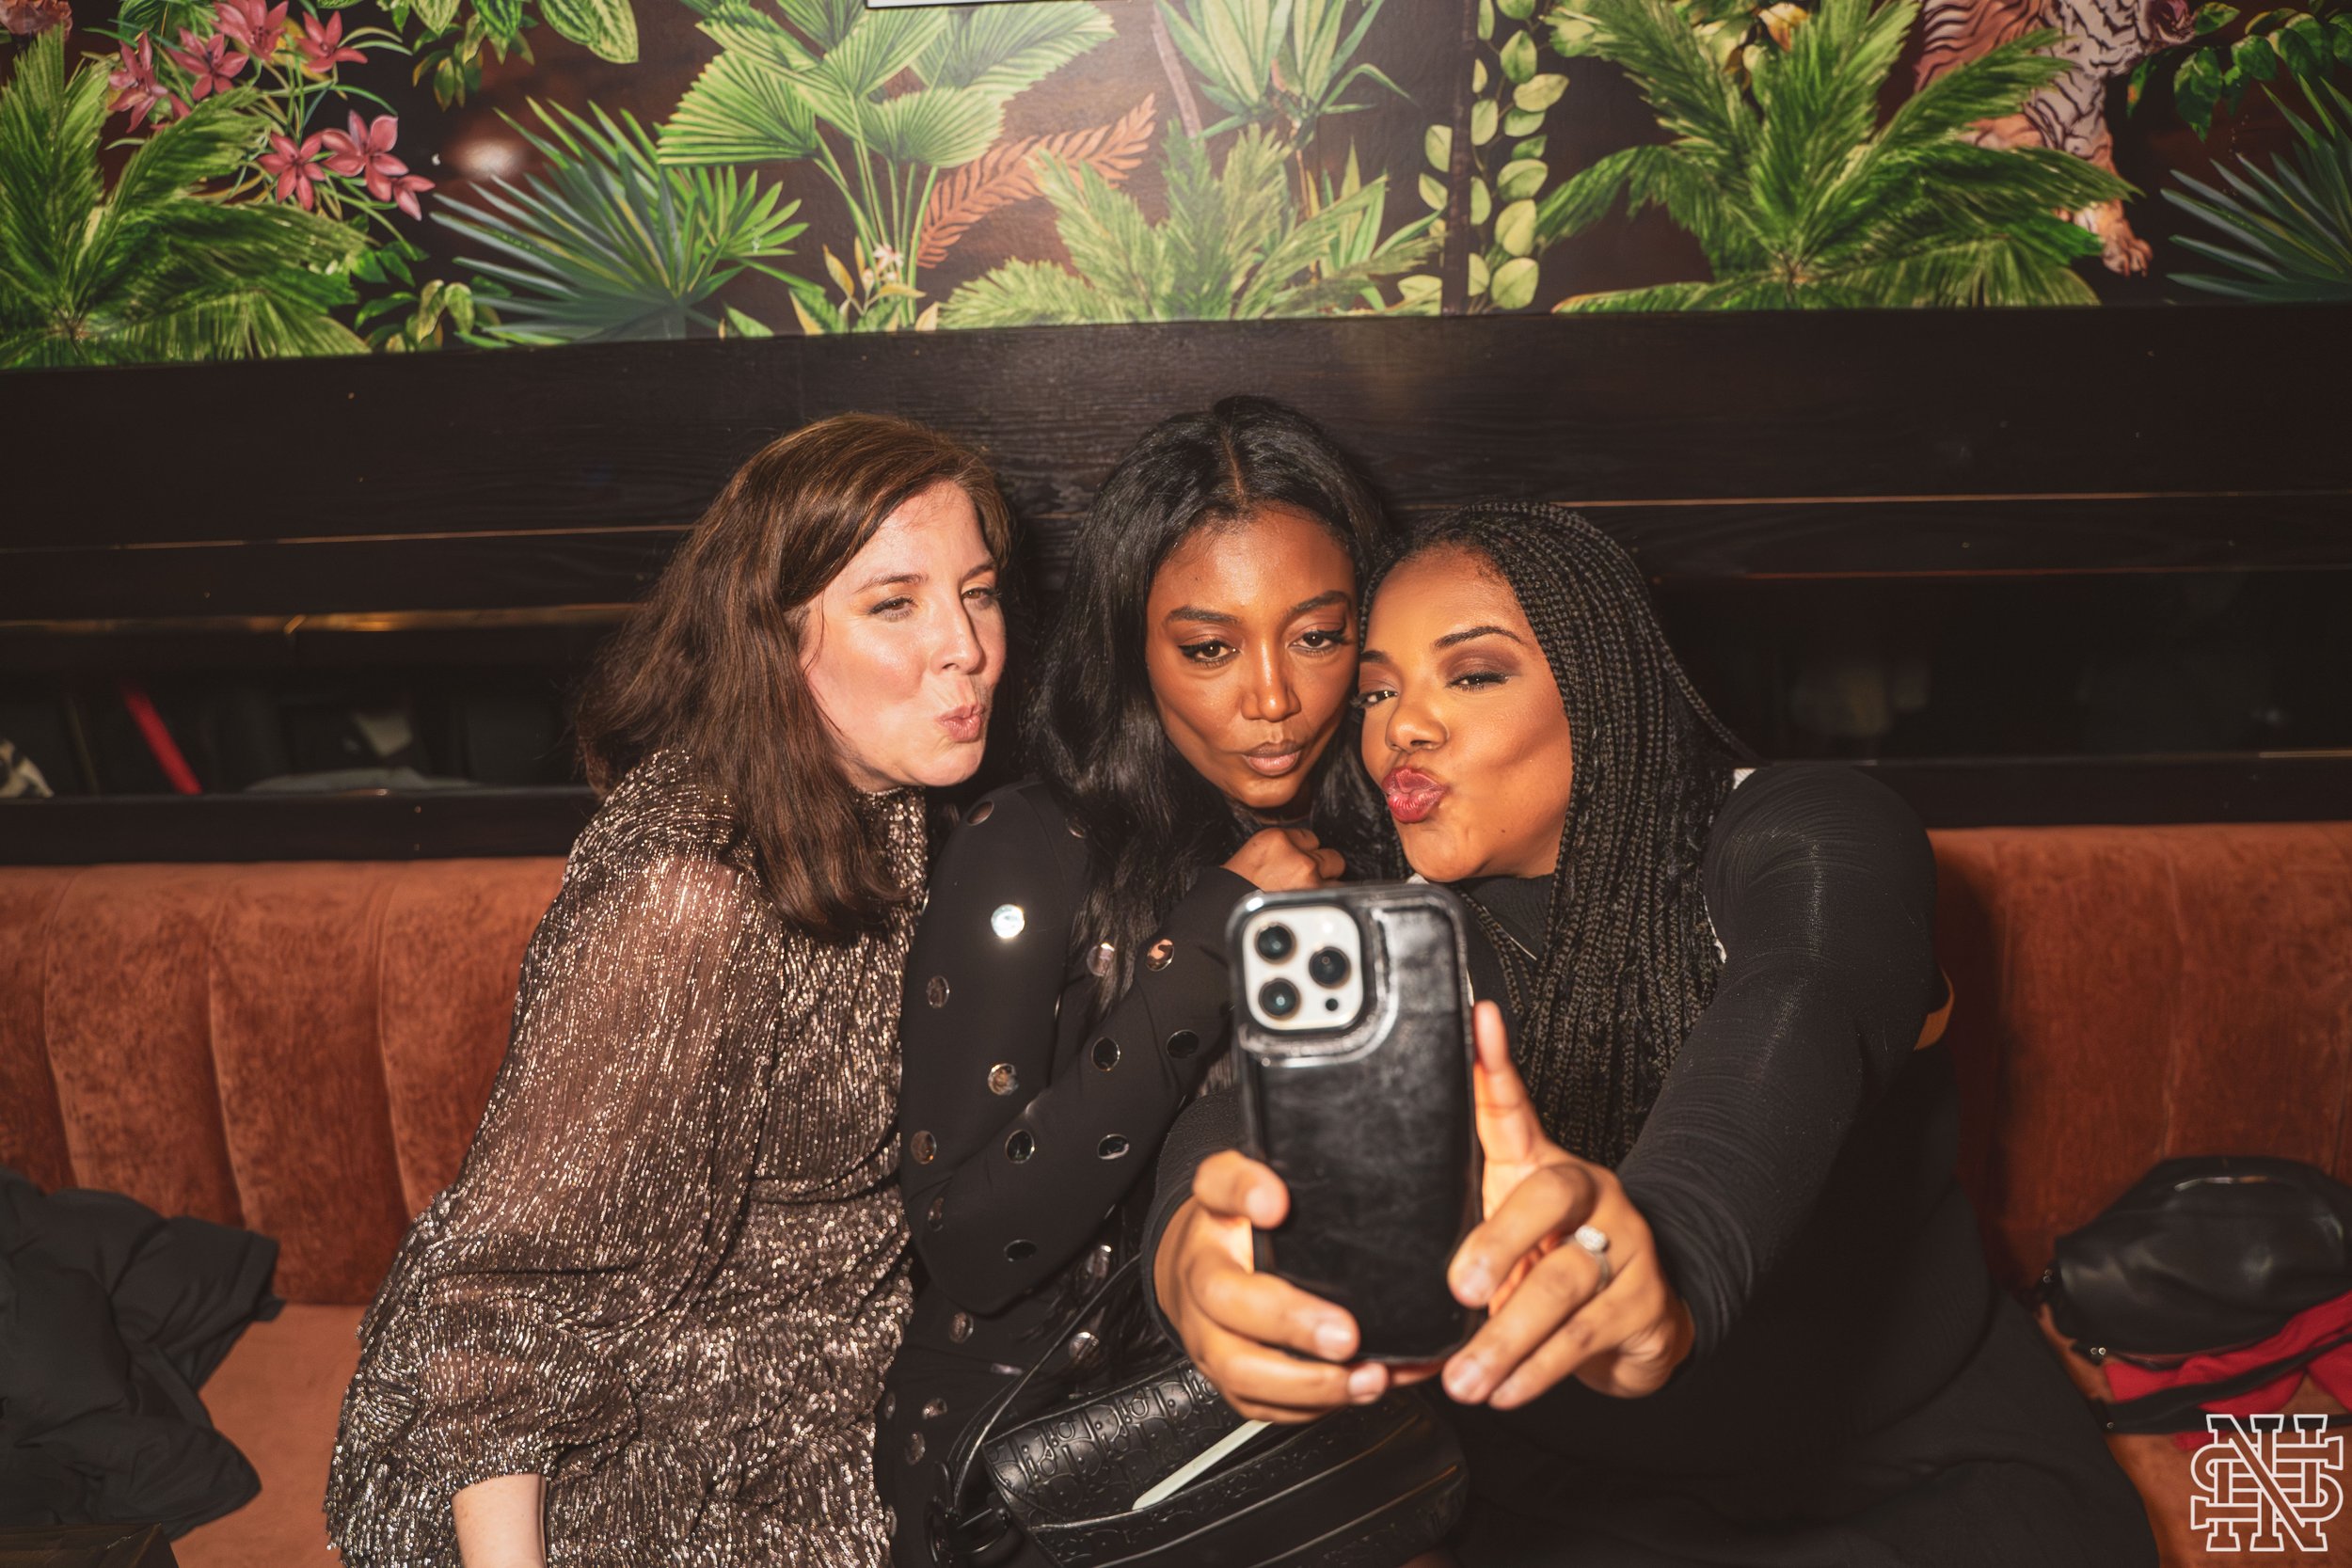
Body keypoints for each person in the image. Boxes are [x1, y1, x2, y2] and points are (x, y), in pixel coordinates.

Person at [1149, 502, 2157, 1566]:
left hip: (1923, 1457)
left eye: (1473, 673)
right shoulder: (1409, 933)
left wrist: (1664, 1249)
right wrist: (1187, 1251)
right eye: (1377, 690)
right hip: (1569, 1492)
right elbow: (1237, 1117)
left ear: (1605, 686)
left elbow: (1803, 1003)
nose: (1403, 725)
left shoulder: (1806, 832)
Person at [326, 415, 1013, 1568]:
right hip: (631, 1483)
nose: (967, 646)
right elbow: (498, 1297)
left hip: (829, 1427)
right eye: (894, 604)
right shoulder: (689, 896)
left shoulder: (892, 800)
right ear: (771, 637)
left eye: (979, 592)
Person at [878, 397, 1398, 1568]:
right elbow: (971, 1242)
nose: (1271, 697)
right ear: (1131, 647)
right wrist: (1208, 946)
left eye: (1316, 636)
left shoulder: (1388, 846)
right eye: (1209, 648)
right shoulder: (1028, 847)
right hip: (1036, 1481)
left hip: (1286, 1458)